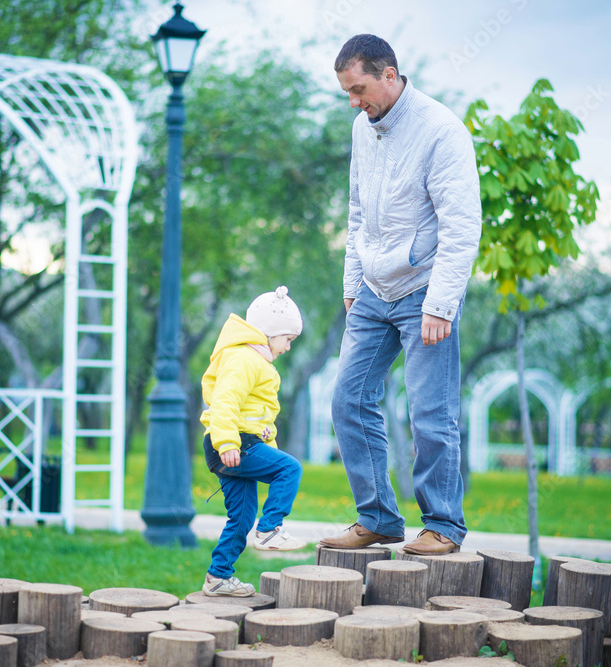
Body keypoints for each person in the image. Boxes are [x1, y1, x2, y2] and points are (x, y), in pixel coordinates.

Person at [318, 34, 482, 556]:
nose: (353, 102)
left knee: (430, 413)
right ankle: (379, 518)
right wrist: (351, 286)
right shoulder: (361, 129)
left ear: (389, 74)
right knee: (348, 398)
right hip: (372, 288)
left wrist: (440, 303)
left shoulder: (441, 131)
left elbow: (462, 225)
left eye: (359, 88)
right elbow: (357, 212)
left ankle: (443, 526)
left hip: (422, 291)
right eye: (347, 91)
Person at [200, 286, 307, 597]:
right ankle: (270, 529)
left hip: (235, 444)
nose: (287, 348)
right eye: (288, 339)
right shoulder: (243, 359)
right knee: (290, 469)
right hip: (233, 444)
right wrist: (228, 442)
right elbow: (225, 400)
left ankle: (218, 576)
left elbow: (256, 415)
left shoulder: (255, 360)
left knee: (242, 516)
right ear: (269, 333)